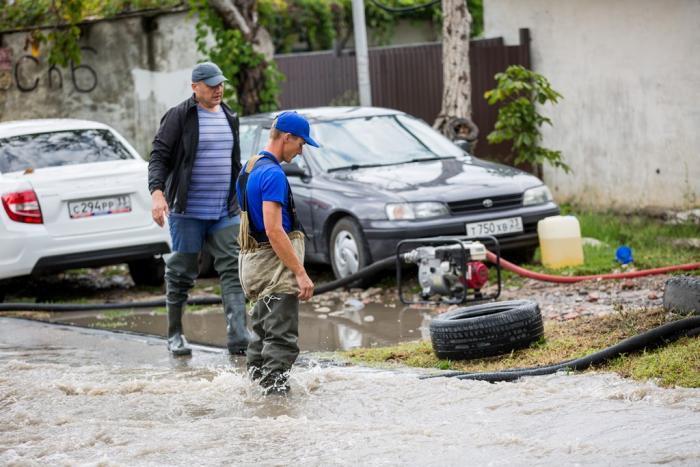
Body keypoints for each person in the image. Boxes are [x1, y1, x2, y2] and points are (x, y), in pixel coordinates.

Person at [148, 62, 248, 357]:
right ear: (195, 87)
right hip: (187, 211)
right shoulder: (179, 116)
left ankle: (239, 336)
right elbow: (158, 158)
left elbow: (233, 163)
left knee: (232, 269)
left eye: (220, 84)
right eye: (211, 84)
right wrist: (157, 194)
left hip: (224, 210)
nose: (218, 89)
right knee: (181, 273)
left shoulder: (230, 115)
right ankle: (175, 334)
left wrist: (241, 198)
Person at [236, 111, 319, 395]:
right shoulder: (272, 174)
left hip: (252, 266)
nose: (302, 149)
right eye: (301, 143)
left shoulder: (248, 167)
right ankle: (276, 403)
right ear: (287, 137)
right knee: (281, 340)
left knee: (260, 337)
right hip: (274, 268)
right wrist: (300, 272)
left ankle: (255, 394)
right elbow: (273, 229)